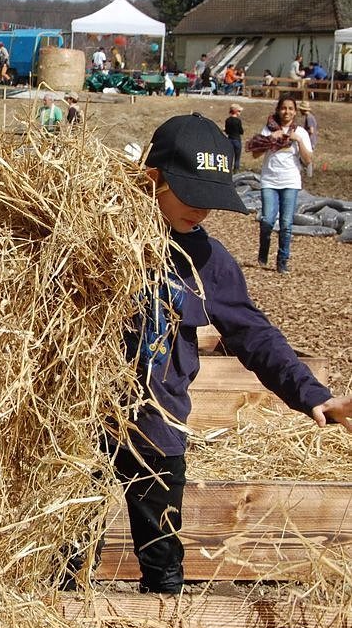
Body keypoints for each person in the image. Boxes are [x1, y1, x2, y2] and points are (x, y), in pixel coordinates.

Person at [99, 112, 352, 595]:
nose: (202, 210)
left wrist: (312, 394)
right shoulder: (95, 238)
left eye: (210, 198)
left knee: (162, 553)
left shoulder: (208, 260)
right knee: (67, 541)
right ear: (153, 178)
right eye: (190, 194)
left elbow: (254, 334)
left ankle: (162, 612)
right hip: (79, 422)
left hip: (157, 425)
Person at [245, 96, 313, 274]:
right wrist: (270, 139)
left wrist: (298, 140)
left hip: (290, 181)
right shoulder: (269, 129)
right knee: (267, 220)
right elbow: (255, 154)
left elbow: (308, 160)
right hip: (269, 180)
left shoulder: (301, 132)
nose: (287, 112)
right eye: (283, 108)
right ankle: (264, 250)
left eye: (290, 108)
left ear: (295, 112)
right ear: (278, 110)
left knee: (286, 223)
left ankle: (282, 261)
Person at [224, 103, 244, 173]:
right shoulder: (238, 121)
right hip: (237, 140)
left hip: (229, 140)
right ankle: (236, 171)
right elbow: (241, 131)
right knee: (237, 158)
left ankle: (228, 171)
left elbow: (227, 131)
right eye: (239, 111)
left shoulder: (227, 120)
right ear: (235, 111)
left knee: (229, 157)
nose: (240, 113)